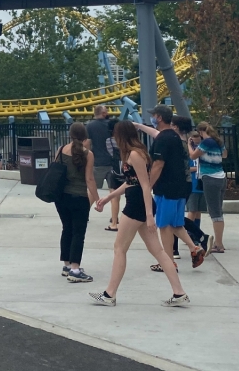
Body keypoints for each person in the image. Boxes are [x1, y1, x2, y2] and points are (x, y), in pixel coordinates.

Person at [90, 120, 190, 307]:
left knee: (120, 248)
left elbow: (145, 185)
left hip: (137, 204)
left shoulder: (135, 154)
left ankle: (109, 294)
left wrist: (150, 216)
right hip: (139, 203)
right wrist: (109, 197)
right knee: (157, 251)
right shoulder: (135, 152)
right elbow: (131, 182)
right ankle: (179, 292)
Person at [144, 106, 206, 272]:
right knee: (176, 223)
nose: (152, 118)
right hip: (182, 186)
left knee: (164, 226)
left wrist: (148, 185)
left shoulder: (163, 139)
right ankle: (194, 248)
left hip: (166, 188)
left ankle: (168, 262)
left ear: (159, 117)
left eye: (153, 115)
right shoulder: (175, 137)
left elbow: (158, 164)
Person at [55, 122, 99, 283]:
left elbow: (55, 171)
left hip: (61, 197)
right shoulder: (88, 154)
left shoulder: (61, 150)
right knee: (78, 233)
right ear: (85, 136)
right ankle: (75, 269)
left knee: (66, 228)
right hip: (79, 197)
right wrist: (97, 199)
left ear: (70, 134)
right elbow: (89, 179)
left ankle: (67, 265)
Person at [191, 121, 227, 253]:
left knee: (215, 212)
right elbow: (225, 155)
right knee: (218, 210)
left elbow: (193, 155)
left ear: (200, 132)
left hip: (210, 178)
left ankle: (219, 244)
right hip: (221, 177)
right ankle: (218, 242)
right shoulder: (218, 141)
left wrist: (190, 145)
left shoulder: (206, 142)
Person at [85, 105, 121, 231]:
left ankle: (84, 214)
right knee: (114, 192)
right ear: (104, 113)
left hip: (98, 162)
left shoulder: (90, 126)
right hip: (113, 163)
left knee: (92, 190)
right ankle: (114, 220)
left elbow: (87, 143)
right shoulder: (112, 125)